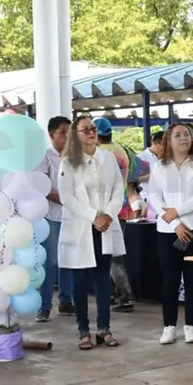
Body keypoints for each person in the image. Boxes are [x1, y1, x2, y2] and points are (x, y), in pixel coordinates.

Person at [58, 116, 127, 351]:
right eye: (85, 129)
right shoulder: (68, 162)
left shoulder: (107, 158)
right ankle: (83, 330)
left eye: (93, 129)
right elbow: (67, 197)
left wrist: (108, 214)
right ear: (75, 135)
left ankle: (104, 329)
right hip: (81, 226)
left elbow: (119, 189)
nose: (91, 133)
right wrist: (93, 217)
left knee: (102, 279)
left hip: (105, 226)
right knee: (79, 281)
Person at [150, 123, 193, 345]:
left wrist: (179, 211)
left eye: (186, 134)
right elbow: (154, 196)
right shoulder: (160, 166)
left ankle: (191, 325)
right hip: (168, 229)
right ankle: (169, 326)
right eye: (177, 135)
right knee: (170, 279)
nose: (183, 138)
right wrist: (175, 221)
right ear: (169, 140)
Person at [93, 117, 135, 312]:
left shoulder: (101, 154)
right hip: (123, 207)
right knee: (115, 255)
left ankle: (122, 296)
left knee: (109, 258)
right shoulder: (121, 151)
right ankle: (119, 295)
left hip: (106, 211)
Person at [35, 117, 72, 322]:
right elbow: (43, 187)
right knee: (51, 261)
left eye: (70, 132)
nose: (67, 137)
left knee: (69, 260)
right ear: (52, 135)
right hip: (52, 215)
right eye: (63, 132)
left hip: (73, 216)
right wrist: (67, 199)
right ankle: (45, 306)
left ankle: (66, 301)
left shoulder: (76, 156)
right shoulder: (45, 157)